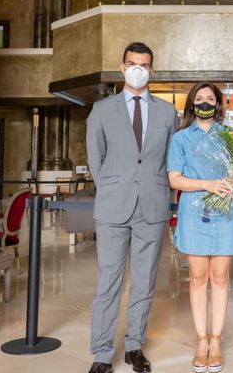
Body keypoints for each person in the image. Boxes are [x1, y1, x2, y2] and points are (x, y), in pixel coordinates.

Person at [85, 42, 178, 373]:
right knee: (108, 281)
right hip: (112, 207)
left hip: (152, 207)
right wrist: (113, 185)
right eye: (132, 63)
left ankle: (134, 345)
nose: (138, 69)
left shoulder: (168, 112)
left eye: (144, 64)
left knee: (144, 281)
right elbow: (95, 159)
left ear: (151, 70)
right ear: (123, 67)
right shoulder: (101, 110)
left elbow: (171, 160)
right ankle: (101, 352)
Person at [167, 82, 233, 373]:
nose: (204, 103)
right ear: (190, 105)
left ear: (218, 104)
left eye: (209, 98)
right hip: (194, 212)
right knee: (198, 278)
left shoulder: (230, 137)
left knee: (221, 277)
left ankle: (217, 341)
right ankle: (201, 341)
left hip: (225, 213)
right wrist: (206, 184)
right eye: (198, 99)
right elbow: (175, 179)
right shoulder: (180, 139)